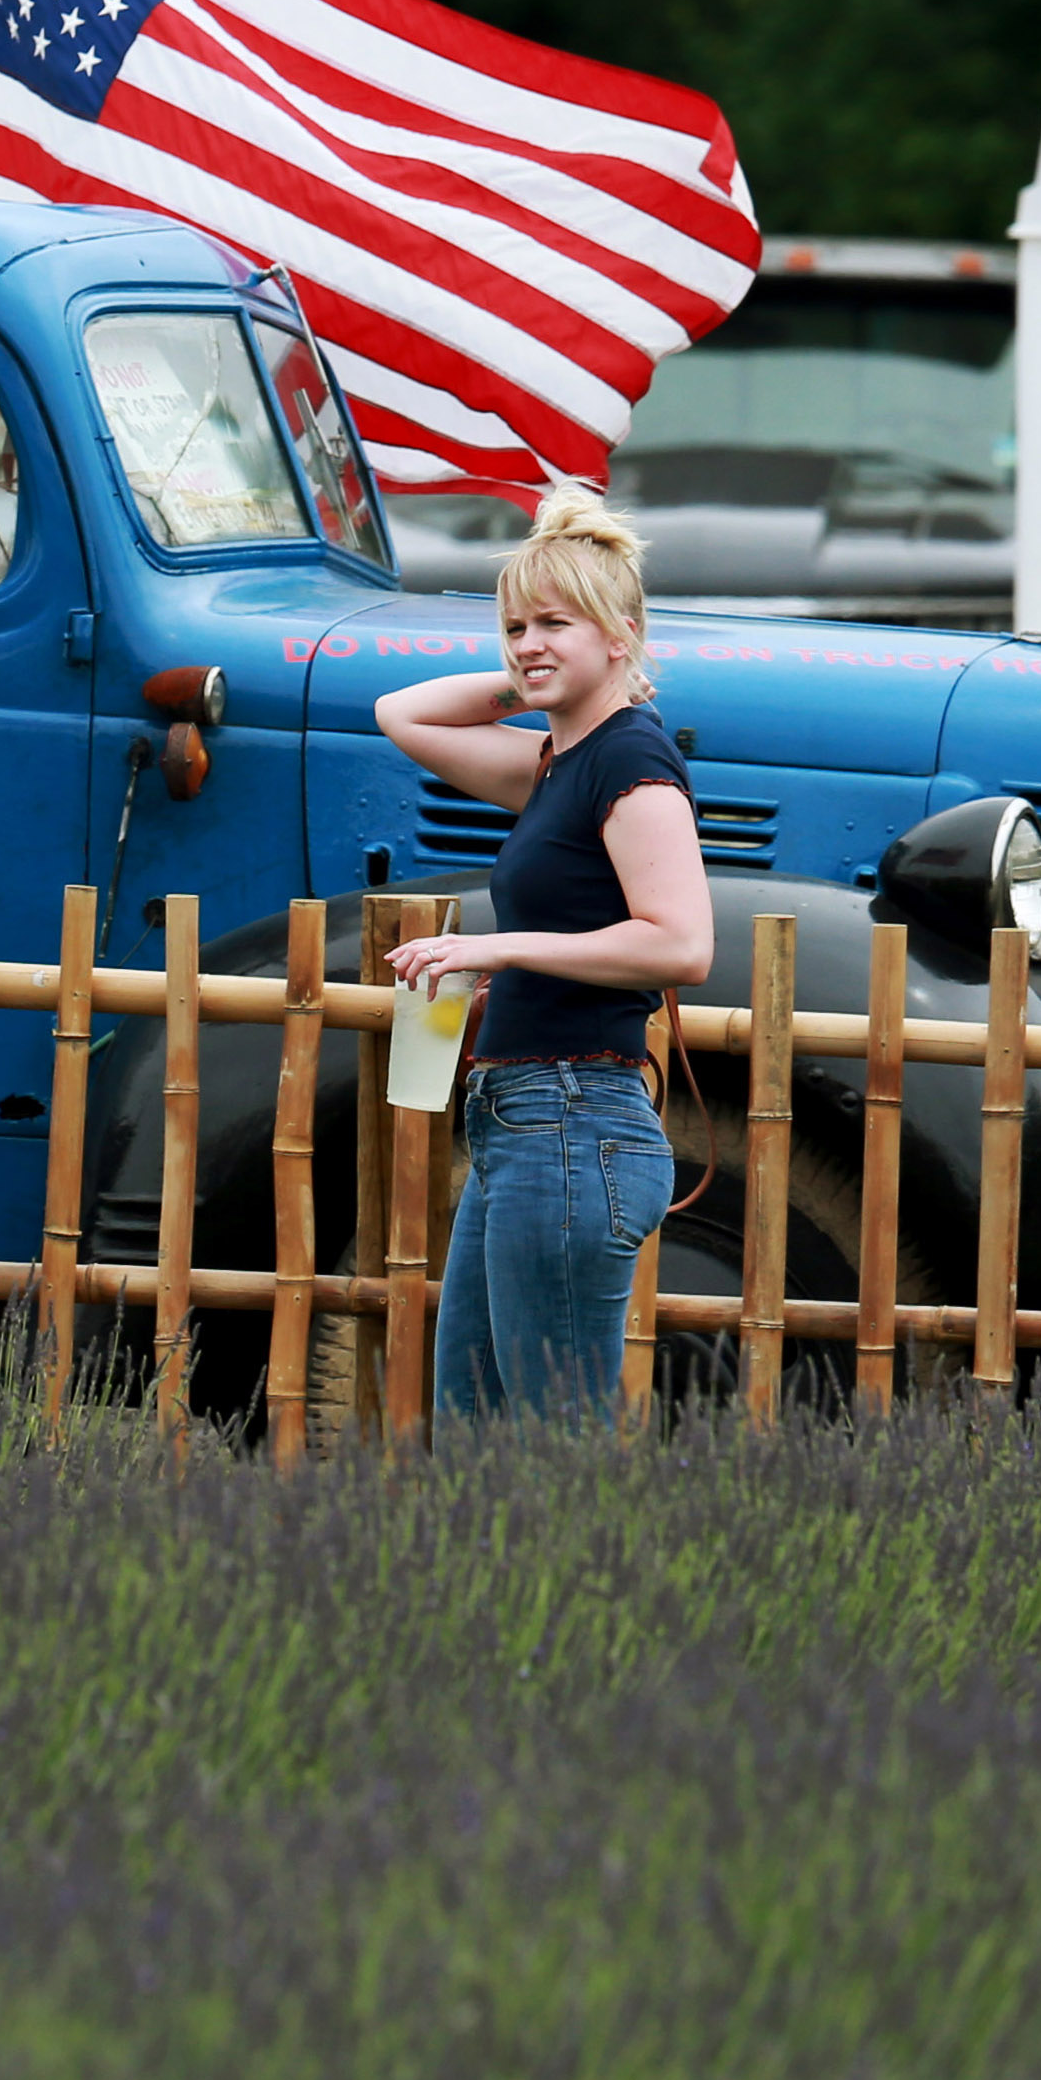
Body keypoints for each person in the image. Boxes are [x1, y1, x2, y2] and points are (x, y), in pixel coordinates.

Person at [375, 487, 713, 1422]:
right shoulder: (556, 761)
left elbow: (680, 942)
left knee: (546, 1449)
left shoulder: (629, 760)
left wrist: (495, 948)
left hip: (573, 1120)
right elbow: (400, 713)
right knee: (476, 1430)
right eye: (515, 625)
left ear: (623, 634)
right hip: (522, 1121)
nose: (527, 642)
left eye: (555, 622)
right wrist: (525, 680)